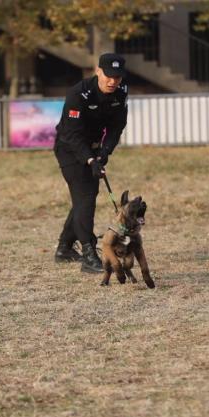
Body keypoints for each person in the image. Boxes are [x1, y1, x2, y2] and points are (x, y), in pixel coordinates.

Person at [53, 53, 128, 273]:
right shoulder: (79, 94)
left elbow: (116, 127)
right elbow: (73, 135)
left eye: (118, 77)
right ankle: (88, 253)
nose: (113, 81)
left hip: (94, 148)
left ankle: (65, 248)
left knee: (85, 197)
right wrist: (89, 159)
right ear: (98, 72)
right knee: (85, 196)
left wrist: (104, 153)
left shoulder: (121, 93)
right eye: (109, 76)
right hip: (69, 148)